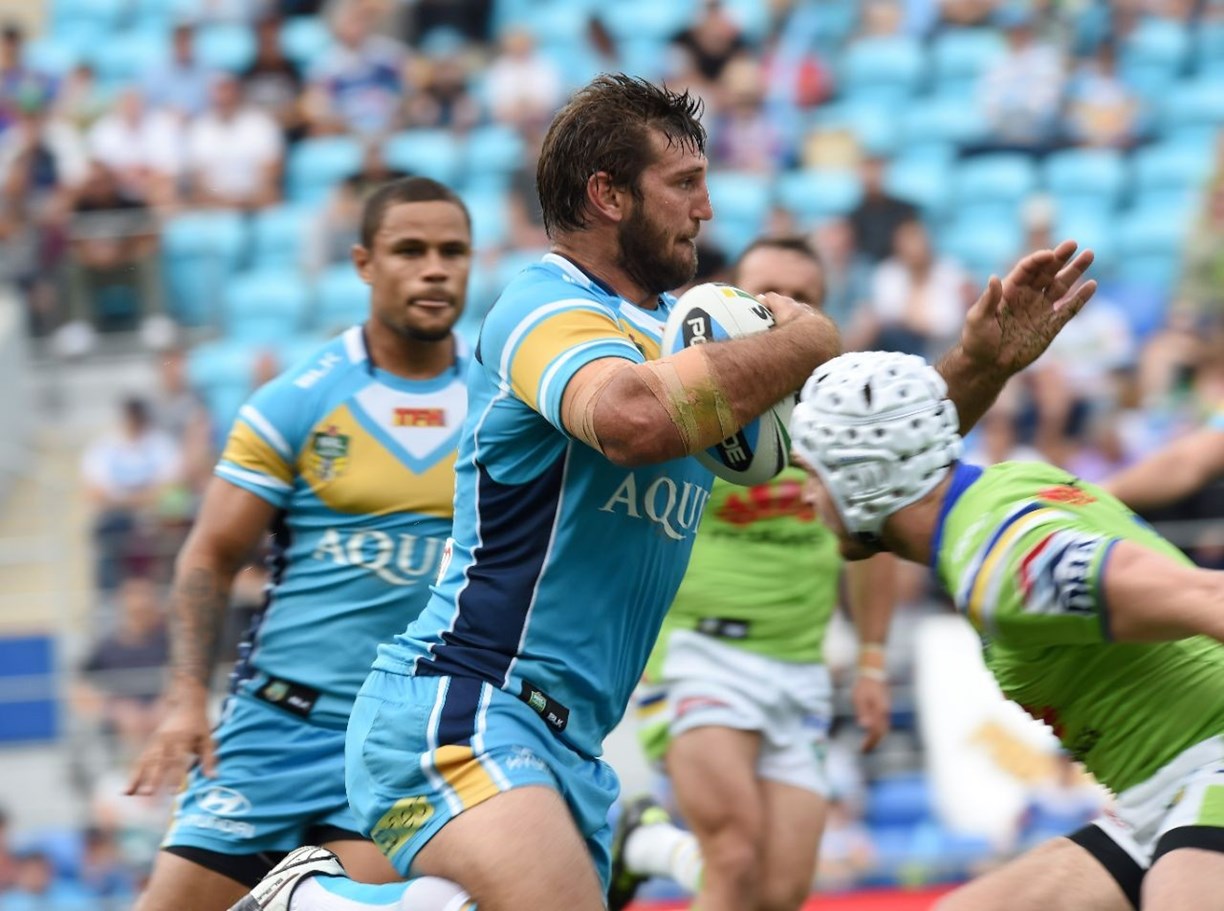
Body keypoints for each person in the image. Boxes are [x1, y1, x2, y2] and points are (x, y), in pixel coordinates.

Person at [228, 73, 1095, 911]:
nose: (705, 208)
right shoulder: (542, 305)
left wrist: (980, 364)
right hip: (467, 701)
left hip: (570, 737)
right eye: (684, 183)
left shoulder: (682, 340)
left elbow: (870, 479)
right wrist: (811, 339)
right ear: (608, 194)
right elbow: (631, 419)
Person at [126, 176, 475, 911]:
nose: (434, 269)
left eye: (452, 251)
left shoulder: (499, 407)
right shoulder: (297, 399)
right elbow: (210, 555)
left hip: (398, 739)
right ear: (363, 263)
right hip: (276, 727)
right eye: (410, 250)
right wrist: (186, 699)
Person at [789, 349, 1224, 911]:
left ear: (861, 476)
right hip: (1154, 794)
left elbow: (1210, 597)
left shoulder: (1003, 567)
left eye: (812, 473)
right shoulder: (1005, 488)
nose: (805, 495)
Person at [616, 235, 897, 911]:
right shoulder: (688, 403)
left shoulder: (843, 419)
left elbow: (876, 542)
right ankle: (648, 846)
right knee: (734, 856)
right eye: (770, 294)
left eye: (806, 298)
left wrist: (871, 659)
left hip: (800, 667)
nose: (787, 308)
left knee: (781, 891)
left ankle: (644, 847)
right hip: (696, 654)